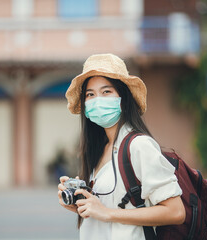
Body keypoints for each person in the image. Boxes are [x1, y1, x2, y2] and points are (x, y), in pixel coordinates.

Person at [57, 53, 185, 240]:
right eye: (90, 94)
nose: (97, 100)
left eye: (106, 92)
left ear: (123, 98)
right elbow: (108, 207)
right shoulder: (99, 150)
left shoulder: (139, 145)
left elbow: (175, 212)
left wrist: (107, 213)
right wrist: (80, 204)